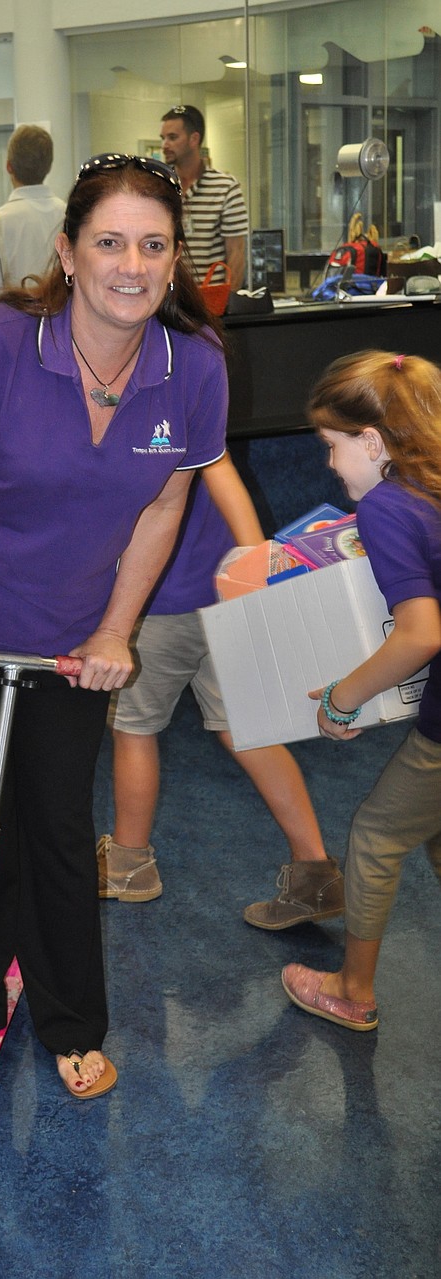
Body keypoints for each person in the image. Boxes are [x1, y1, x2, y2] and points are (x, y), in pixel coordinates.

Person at [0, 151, 228, 1100]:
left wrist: (117, 632)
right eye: (109, 241)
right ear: (68, 253)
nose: (132, 264)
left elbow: (163, 506)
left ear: (173, 260)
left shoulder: (189, 368)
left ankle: (71, 1015)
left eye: (154, 245)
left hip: (72, 630)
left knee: (62, 825)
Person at [97, 454, 345, 924]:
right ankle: (315, 871)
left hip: (152, 602)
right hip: (228, 593)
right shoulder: (190, 397)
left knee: (134, 729)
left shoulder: (113, 407)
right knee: (248, 731)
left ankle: (129, 865)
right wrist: (259, 571)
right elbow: (222, 471)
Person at [281, 351, 441, 1032]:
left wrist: (340, 698)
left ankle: (351, 988)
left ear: (372, 441)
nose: (329, 464)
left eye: (332, 446)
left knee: (376, 835)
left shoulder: (387, 506)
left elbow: (418, 635)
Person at [159, 105, 248, 288]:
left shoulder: (225, 187)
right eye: (163, 138)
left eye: (172, 137)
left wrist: (227, 302)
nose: (164, 145)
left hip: (210, 301)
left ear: (194, 139)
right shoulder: (159, 186)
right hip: (167, 300)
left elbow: (236, 252)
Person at [0, 125, 66, 286]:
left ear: (8, 166)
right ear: (49, 166)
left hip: (12, 310)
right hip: (63, 310)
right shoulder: (69, 215)